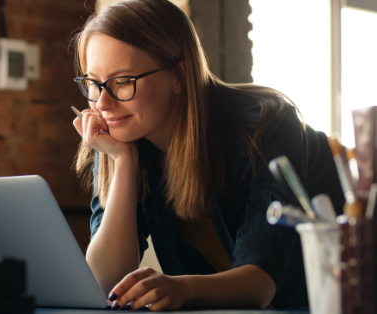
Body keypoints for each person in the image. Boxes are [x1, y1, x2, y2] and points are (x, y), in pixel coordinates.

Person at [71, 0, 344, 311]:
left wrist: (181, 288)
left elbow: (261, 285)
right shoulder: (120, 136)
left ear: (179, 76)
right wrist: (123, 161)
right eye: (93, 84)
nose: (102, 103)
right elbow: (104, 282)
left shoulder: (266, 125)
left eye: (122, 82)